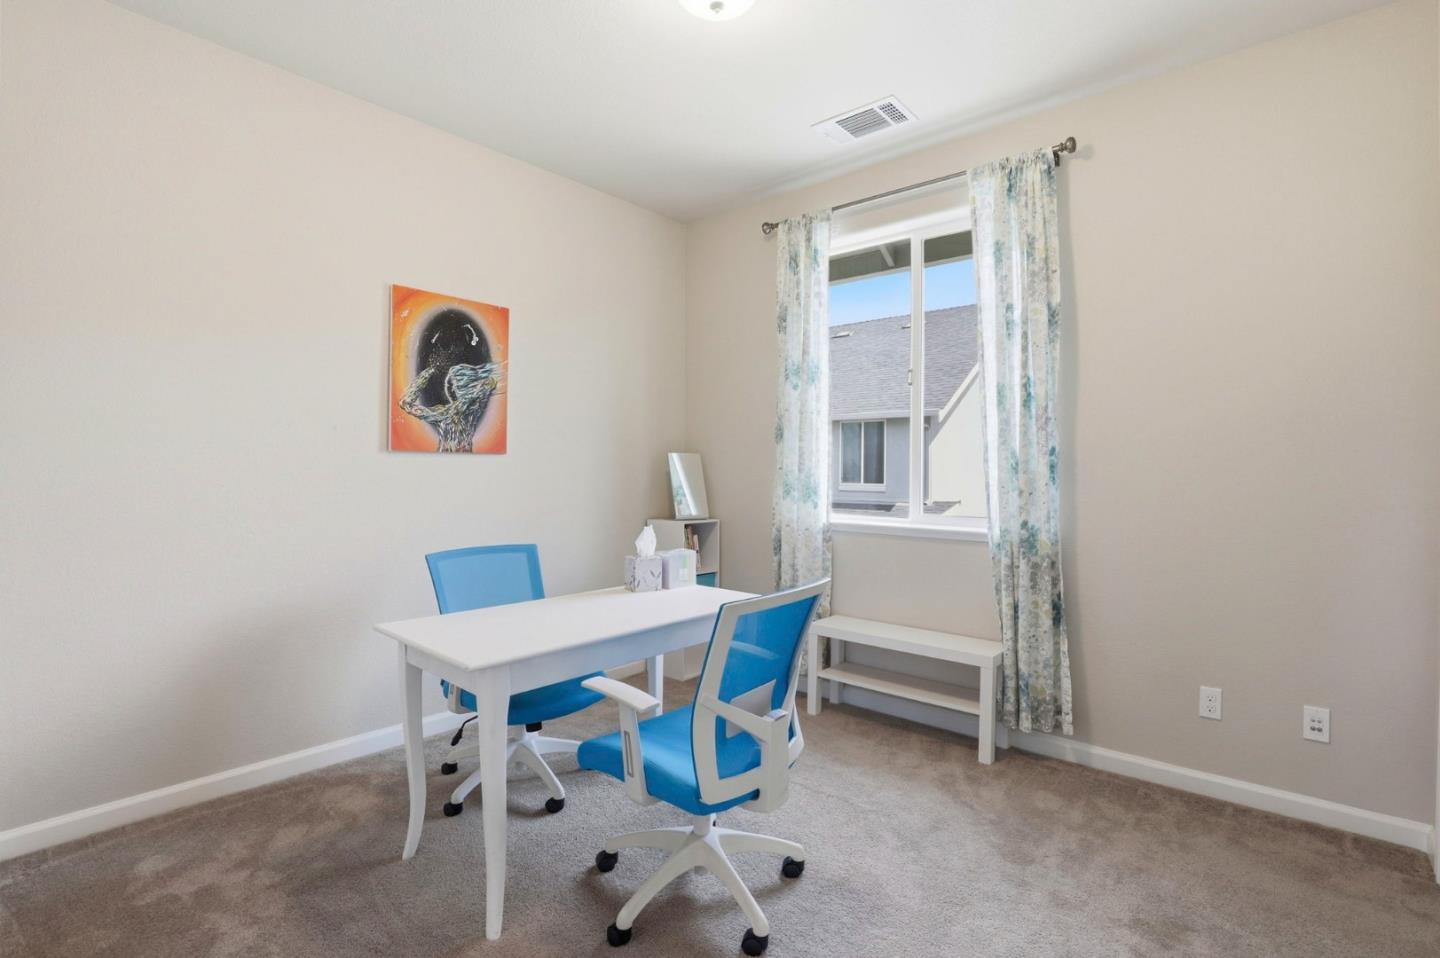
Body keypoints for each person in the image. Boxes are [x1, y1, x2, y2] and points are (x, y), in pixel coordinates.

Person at [400, 361, 503, 453]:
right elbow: (491, 383)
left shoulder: (444, 414)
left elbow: (405, 403)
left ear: (460, 387)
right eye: (448, 384)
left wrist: (423, 377)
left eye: (451, 384)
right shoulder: (473, 410)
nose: (448, 388)